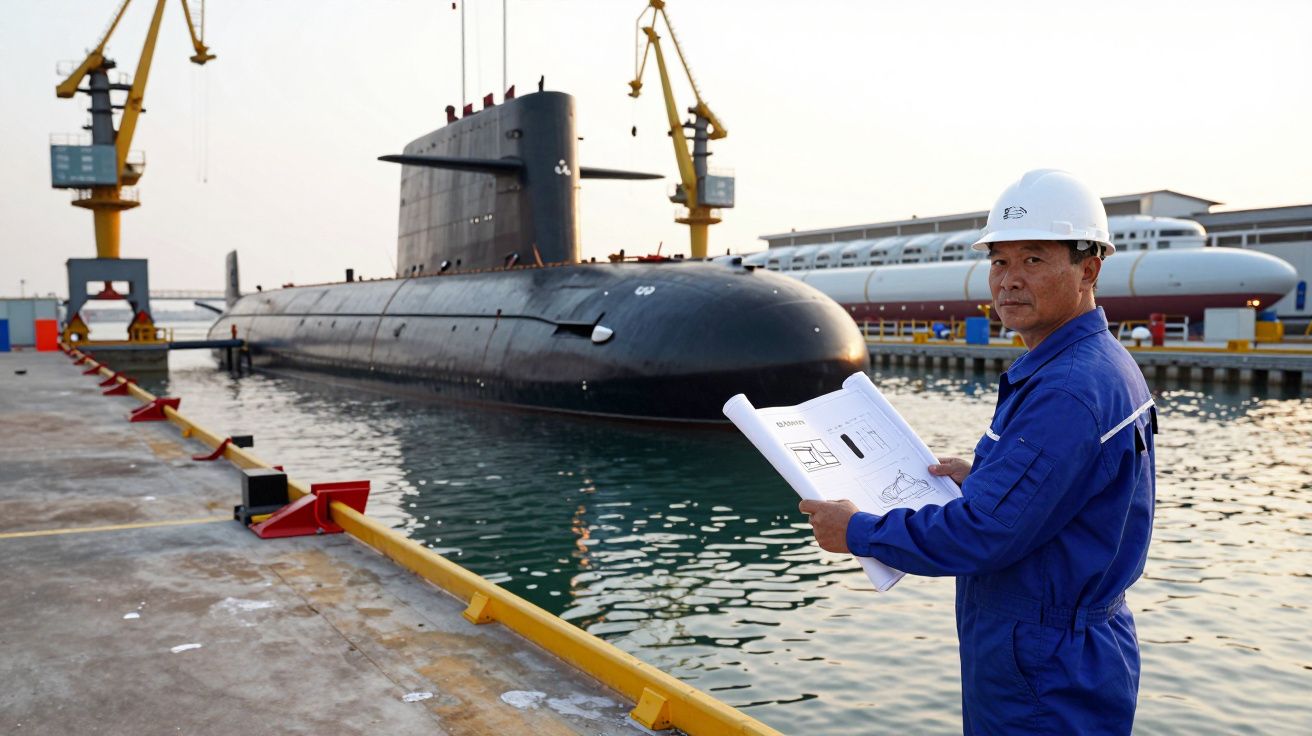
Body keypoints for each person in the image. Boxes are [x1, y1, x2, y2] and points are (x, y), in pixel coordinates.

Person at [801, 169, 1156, 734]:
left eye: (1033, 260)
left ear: (1088, 267)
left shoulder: (1067, 387)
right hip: (1067, 651)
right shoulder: (1094, 364)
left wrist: (859, 531)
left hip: (1043, 669)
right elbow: (1065, 491)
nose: (1009, 281)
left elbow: (981, 534)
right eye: (999, 261)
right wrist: (986, 475)